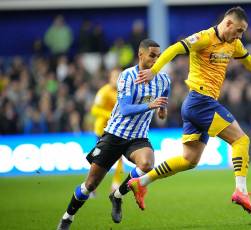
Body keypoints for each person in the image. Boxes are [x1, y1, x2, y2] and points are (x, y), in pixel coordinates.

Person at [128, 6, 251, 215]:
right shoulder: (204, 38)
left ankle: (142, 182)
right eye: (238, 30)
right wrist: (154, 70)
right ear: (228, 23)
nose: (239, 35)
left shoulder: (233, 44)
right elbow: (174, 49)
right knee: (241, 140)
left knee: (188, 160)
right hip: (200, 101)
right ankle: (241, 191)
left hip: (195, 105)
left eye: (242, 32)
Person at [56, 39, 171, 230]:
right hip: (114, 134)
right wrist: (150, 105)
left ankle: (117, 195)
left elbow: (163, 98)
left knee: (147, 164)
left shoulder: (164, 79)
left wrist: (162, 111)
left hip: (138, 137)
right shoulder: (127, 76)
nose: (156, 60)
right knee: (90, 185)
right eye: (152, 55)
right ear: (140, 55)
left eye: (159, 56)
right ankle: (67, 217)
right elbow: (125, 109)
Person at [90, 67, 125, 194]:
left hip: (116, 131)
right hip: (102, 131)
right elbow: (94, 110)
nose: (117, 79)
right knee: (98, 160)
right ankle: (91, 185)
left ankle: (115, 185)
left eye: (119, 76)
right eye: (115, 76)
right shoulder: (103, 92)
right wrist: (110, 114)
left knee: (120, 157)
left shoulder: (123, 92)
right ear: (110, 77)